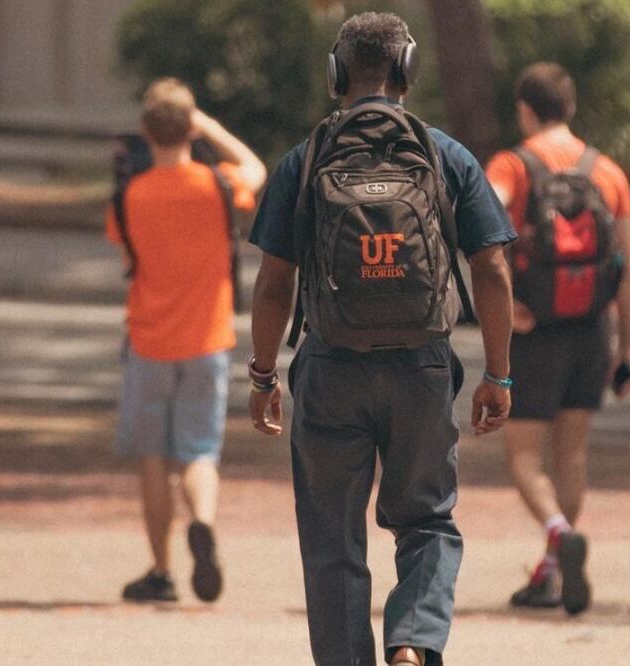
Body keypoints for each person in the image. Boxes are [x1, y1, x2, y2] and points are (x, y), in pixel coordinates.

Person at [247, 12, 516, 666]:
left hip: (331, 369)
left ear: (338, 73)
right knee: (426, 522)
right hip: (421, 370)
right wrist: (498, 375)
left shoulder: (305, 158)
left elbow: (274, 281)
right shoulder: (444, 155)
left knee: (332, 541)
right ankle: (414, 641)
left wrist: (262, 376)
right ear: (409, 69)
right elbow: (493, 269)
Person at [485, 63, 630, 615]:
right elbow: (628, 269)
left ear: (525, 109)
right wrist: (626, 347)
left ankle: (555, 535)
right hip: (591, 331)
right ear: (570, 108)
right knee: (571, 453)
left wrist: (506, 304)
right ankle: (553, 571)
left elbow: (479, 219)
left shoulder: (513, 164)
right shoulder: (609, 173)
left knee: (523, 455)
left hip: (536, 330)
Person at [107, 78, 266, 603]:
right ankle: (203, 518)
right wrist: (213, 129)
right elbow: (257, 171)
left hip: (149, 343)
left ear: (145, 131)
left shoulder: (130, 197)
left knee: (153, 457)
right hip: (207, 341)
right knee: (199, 452)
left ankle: (161, 570)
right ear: (189, 128)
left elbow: (129, 259)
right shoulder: (218, 186)